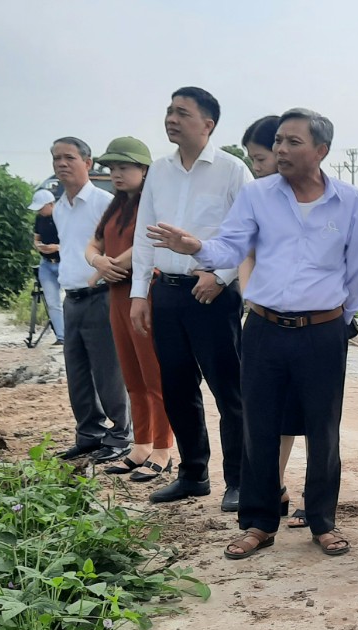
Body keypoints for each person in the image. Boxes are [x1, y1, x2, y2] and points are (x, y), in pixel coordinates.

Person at [149, 108, 358, 560]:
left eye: (293, 142)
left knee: (323, 428)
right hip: (265, 329)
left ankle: (322, 521)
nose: (281, 150)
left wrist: (337, 318)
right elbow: (230, 245)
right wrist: (196, 247)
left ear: (321, 151)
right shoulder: (257, 196)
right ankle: (257, 522)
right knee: (260, 427)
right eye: (279, 142)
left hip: (323, 331)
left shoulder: (352, 203)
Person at [129, 87, 253, 506]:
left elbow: (250, 232)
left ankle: (238, 479)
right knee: (177, 387)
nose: (171, 118)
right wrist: (139, 294)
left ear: (208, 124)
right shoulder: (158, 172)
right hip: (166, 293)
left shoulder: (232, 171)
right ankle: (193, 473)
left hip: (212, 295)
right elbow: (144, 234)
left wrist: (220, 276)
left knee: (228, 390)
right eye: (169, 111)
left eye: (182, 112)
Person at [83, 137, 175, 482]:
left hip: (145, 294)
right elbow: (94, 241)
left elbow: (146, 244)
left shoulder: (152, 204)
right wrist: (98, 260)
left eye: (124, 167)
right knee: (132, 376)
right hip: (117, 296)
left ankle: (164, 449)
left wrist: (106, 268)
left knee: (155, 376)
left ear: (144, 169)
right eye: (112, 168)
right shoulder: (115, 206)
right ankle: (141, 444)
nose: (116, 174)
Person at [239, 114, 309, 528]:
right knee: (270, 417)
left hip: (317, 322)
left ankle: (316, 500)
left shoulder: (324, 199)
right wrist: (253, 300)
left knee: (317, 419)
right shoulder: (256, 197)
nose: (258, 166)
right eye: (254, 158)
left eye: (260, 157)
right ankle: (272, 489)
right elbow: (246, 252)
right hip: (267, 320)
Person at [50, 136, 132, 464]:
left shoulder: (104, 202)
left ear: (88, 162)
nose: (61, 164)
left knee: (108, 370)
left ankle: (121, 435)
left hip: (101, 296)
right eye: (56, 158)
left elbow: (122, 245)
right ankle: (89, 434)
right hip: (71, 298)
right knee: (78, 372)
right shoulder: (59, 207)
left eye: (69, 157)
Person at [29, 189, 65, 345]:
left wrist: (57, 247)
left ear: (51, 204)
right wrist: (39, 246)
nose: (39, 211)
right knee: (52, 302)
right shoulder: (39, 219)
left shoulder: (63, 217)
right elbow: (36, 238)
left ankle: (73, 333)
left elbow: (74, 242)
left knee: (72, 298)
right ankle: (61, 337)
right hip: (46, 264)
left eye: (41, 208)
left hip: (63, 262)